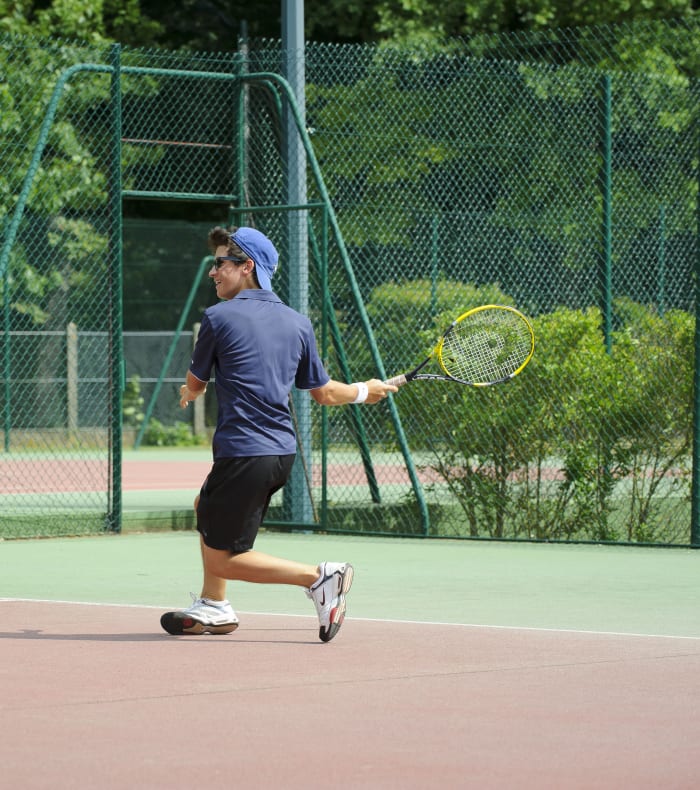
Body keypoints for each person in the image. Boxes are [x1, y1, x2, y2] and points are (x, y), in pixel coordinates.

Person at [160, 226, 397, 642]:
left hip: (243, 453)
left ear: (246, 267)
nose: (213, 272)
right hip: (280, 455)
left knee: (224, 560)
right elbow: (324, 393)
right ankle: (214, 605)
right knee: (205, 506)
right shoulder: (298, 322)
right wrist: (364, 390)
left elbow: (195, 383)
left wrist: (189, 391)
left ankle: (319, 577)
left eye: (220, 263)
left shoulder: (217, 317)